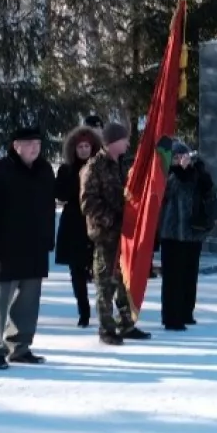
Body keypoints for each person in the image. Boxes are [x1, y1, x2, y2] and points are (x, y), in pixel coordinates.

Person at [0, 128, 56, 369]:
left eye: (38, 143)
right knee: (2, 300)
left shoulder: (44, 170)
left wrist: (48, 240)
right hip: (5, 246)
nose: (35, 148)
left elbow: (49, 209)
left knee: (29, 302)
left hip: (35, 246)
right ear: (16, 145)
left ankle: (20, 346)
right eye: (29, 143)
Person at [82, 122, 147, 344]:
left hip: (125, 234)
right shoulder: (94, 167)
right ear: (112, 143)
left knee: (124, 281)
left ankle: (126, 324)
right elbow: (88, 203)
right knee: (105, 282)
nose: (128, 143)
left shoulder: (124, 165)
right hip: (105, 235)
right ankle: (106, 329)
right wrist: (112, 219)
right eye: (124, 139)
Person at [158, 142, 217, 328]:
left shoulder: (197, 173)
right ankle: (171, 317)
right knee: (172, 278)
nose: (181, 161)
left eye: (183, 156)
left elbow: (211, 194)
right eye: (176, 158)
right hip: (172, 233)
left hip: (193, 232)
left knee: (189, 275)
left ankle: (187, 312)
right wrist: (181, 172)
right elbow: (169, 191)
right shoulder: (167, 175)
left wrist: (201, 174)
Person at [54, 126, 102, 326]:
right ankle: (83, 311)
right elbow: (61, 194)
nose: (83, 150)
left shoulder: (101, 167)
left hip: (96, 220)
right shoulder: (66, 169)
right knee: (76, 271)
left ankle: (105, 309)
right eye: (80, 146)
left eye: (86, 146)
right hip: (74, 221)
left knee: (100, 268)